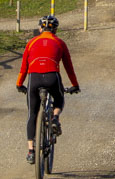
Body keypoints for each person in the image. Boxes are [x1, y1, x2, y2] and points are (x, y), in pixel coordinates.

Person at [16, 14, 80, 165]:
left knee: (32, 113)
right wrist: (75, 85)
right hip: (52, 77)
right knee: (59, 98)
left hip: (34, 79)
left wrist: (19, 84)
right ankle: (55, 118)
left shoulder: (31, 43)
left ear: (40, 28)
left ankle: (31, 151)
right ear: (55, 30)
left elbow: (24, 67)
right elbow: (68, 67)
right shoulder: (60, 42)